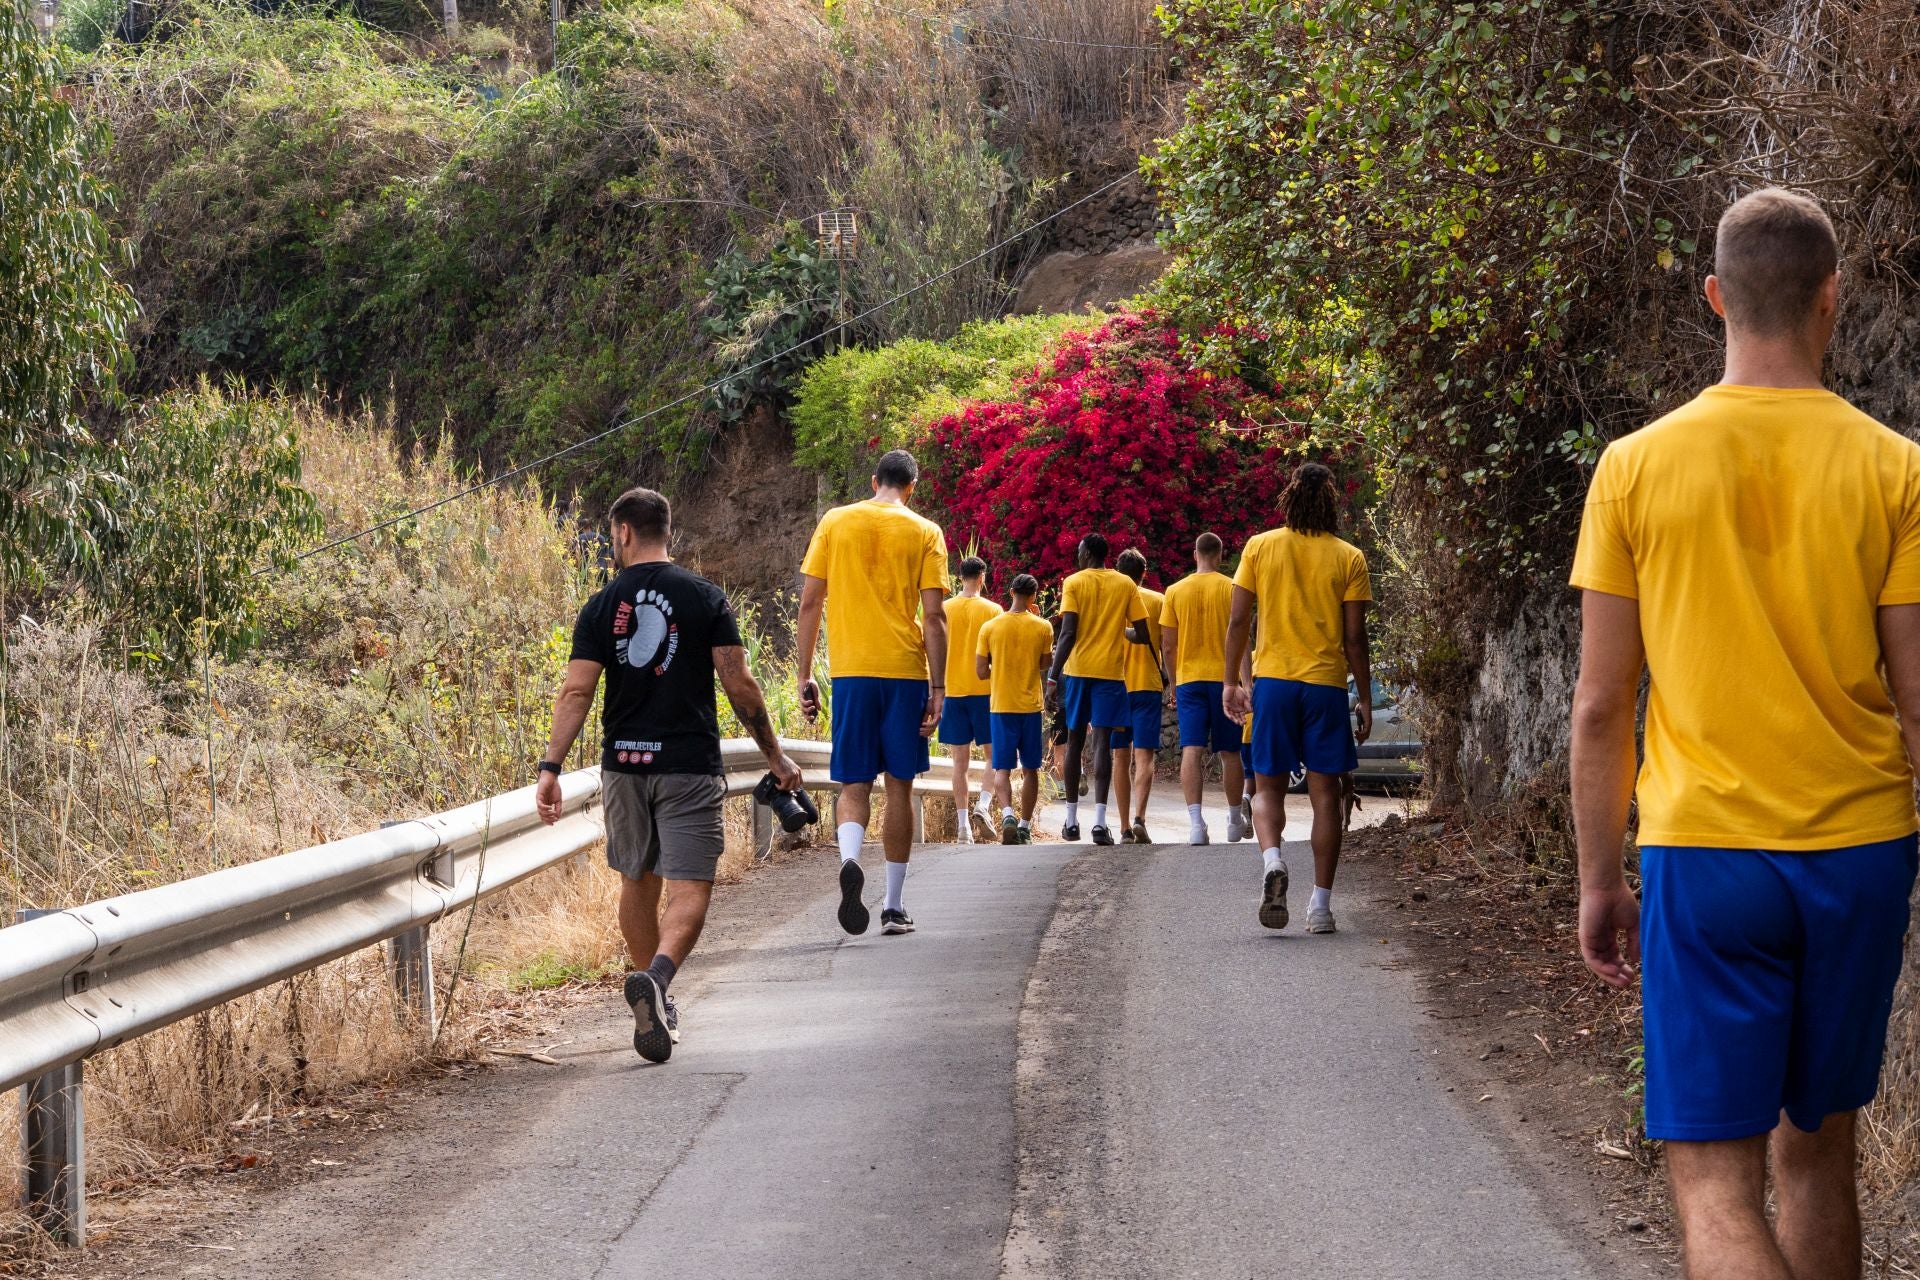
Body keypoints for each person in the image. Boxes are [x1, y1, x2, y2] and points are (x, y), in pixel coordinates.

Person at [1570, 187, 1920, 1280]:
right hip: (1861, 850)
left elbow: (1598, 704)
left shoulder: (1635, 466)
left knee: (1711, 1177)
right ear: (1832, 299)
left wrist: (1598, 879)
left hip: (1710, 851)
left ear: (1716, 296)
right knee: (1818, 1152)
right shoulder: (1896, 468)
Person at [536, 487, 801, 1064]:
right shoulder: (705, 597)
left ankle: (652, 987)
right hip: (686, 766)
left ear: (624, 533)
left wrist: (551, 767)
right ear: (666, 531)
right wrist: (775, 757)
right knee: (691, 886)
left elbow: (577, 690)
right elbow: (740, 686)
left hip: (625, 766)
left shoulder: (603, 604)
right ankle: (657, 981)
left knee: (637, 881)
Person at [795, 449, 949, 937]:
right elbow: (934, 617)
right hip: (904, 672)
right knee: (900, 785)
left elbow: (810, 601)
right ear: (911, 487)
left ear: (874, 480)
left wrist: (804, 674)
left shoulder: (835, 521)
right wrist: (939, 687)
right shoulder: (925, 531)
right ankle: (894, 906)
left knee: (853, 783)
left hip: (852, 673)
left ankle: (848, 859)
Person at [1224, 464, 1371, 935]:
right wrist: (1364, 698)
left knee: (1266, 787)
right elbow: (1355, 639)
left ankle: (1272, 861)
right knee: (1325, 794)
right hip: (1326, 686)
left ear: (1288, 498)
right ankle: (1321, 907)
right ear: (1332, 503)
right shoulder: (1349, 557)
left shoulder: (1260, 547)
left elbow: (1238, 623)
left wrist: (1231, 681)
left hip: (1274, 685)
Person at [1046, 534, 1151, 845]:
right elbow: (1143, 633)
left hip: (1078, 673)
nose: (1077, 555)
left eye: (1079, 550)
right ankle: (1100, 824)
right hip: (1110, 675)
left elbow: (1067, 633)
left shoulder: (1075, 582)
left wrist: (1053, 677)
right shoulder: (1125, 585)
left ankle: (1071, 821)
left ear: (1088, 552)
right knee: (1103, 745)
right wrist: (1119, 629)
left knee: (1075, 742)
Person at [1161, 532, 1247, 845]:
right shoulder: (1232, 588)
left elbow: (1168, 646)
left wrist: (1172, 681)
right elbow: (1242, 638)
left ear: (1194, 553)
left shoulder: (1174, 591)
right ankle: (1235, 820)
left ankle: (1196, 825)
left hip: (1189, 680)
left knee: (1191, 749)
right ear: (1221, 555)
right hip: (1224, 678)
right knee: (1230, 752)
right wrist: (1244, 682)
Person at [975, 573, 1052, 844]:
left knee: (1002, 769)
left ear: (1010, 592)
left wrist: (1001, 665)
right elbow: (1045, 663)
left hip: (1001, 706)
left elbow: (981, 671)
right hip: (1030, 707)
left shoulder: (990, 627)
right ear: (1033, 597)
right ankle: (1025, 826)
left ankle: (1007, 814)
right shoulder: (1043, 627)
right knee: (1032, 769)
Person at [937, 556, 1002, 842]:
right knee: (995, 757)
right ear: (982, 577)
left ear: (959, 577)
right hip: (985, 692)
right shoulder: (993, 610)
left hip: (952, 692)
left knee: (959, 764)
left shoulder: (944, 609)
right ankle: (984, 805)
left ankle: (963, 828)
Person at [1109, 548, 1167, 844]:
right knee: (1144, 756)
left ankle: (1123, 828)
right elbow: (1167, 647)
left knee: (1120, 757)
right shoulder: (1158, 600)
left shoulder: (1110, 601)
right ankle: (1140, 818)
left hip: (1116, 686)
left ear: (1118, 571)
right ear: (1144, 573)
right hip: (1147, 685)